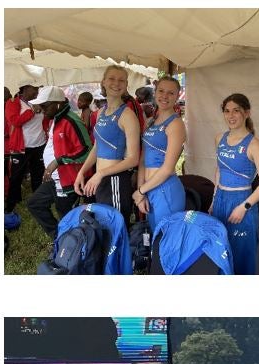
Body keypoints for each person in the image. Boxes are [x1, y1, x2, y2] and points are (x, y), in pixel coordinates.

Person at [74, 65, 142, 229]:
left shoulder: (127, 115)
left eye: (121, 80)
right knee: (104, 226)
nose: (116, 83)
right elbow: (97, 146)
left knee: (116, 228)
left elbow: (133, 159)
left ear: (126, 85)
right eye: (111, 78)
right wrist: (82, 172)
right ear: (103, 82)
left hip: (116, 181)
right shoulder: (101, 112)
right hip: (101, 179)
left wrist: (100, 174)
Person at [211, 94, 259, 274]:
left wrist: (244, 207)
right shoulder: (219, 138)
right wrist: (214, 199)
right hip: (221, 198)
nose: (231, 116)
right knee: (220, 248)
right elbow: (219, 170)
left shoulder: (254, 145)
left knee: (241, 253)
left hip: (242, 201)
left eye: (236, 111)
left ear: (246, 113)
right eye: (227, 111)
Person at [26, 85, 91, 238]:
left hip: (69, 180)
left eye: (44, 105)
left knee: (66, 216)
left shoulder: (70, 120)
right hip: (56, 177)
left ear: (57, 104)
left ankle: (72, 245)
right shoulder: (56, 118)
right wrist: (49, 167)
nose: (41, 109)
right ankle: (59, 237)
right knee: (34, 203)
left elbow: (86, 151)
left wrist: (58, 162)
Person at [134, 76, 186, 236]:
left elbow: (168, 168)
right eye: (161, 91)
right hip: (149, 188)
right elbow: (143, 159)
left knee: (166, 241)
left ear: (178, 96)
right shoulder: (151, 121)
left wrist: (141, 191)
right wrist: (141, 190)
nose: (165, 96)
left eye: (171, 93)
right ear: (155, 92)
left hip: (166, 190)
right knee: (154, 241)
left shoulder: (176, 124)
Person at [4, 84, 40, 228]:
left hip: (39, 145)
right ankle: (11, 205)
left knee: (37, 175)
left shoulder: (37, 102)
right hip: (22, 147)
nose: (37, 91)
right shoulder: (13, 103)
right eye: (34, 88)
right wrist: (31, 112)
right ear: (24, 89)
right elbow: (14, 121)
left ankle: (37, 202)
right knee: (16, 177)